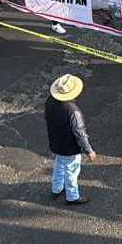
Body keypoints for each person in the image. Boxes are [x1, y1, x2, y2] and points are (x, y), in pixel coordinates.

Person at [45, 74, 96, 206]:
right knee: (72, 171)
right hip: (70, 148)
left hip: (56, 143)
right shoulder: (73, 111)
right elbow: (80, 133)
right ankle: (72, 197)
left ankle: (56, 189)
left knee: (59, 165)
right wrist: (89, 150)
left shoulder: (49, 101)